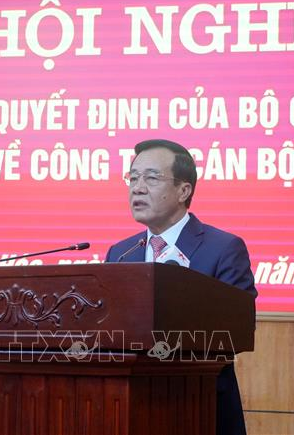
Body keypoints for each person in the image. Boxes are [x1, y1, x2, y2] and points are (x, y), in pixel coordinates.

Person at [105, 139, 257, 435]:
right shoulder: (120, 253)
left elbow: (237, 331)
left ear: (183, 190)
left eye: (151, 178)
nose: (137, 188)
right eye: (133, 178)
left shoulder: (223, 248)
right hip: (131, 407)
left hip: (200, 405)